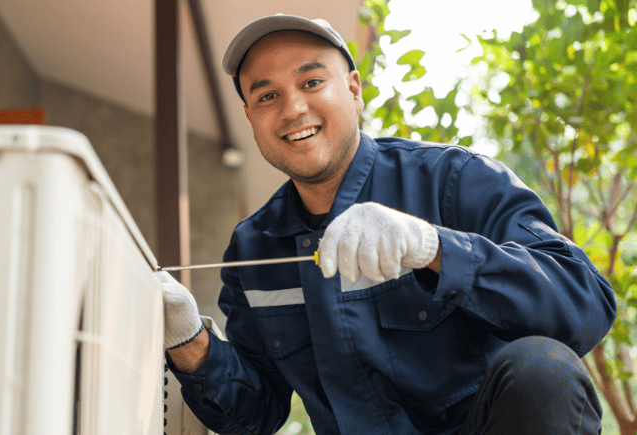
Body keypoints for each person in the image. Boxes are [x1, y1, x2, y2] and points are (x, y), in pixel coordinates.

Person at [156, 14, 616, 435]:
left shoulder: (454, 181)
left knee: (542, 366)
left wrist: (435, 248)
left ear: (354, 90)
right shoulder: (253, 249)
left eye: (312, 82)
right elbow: (257, 414)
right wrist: (189, 341)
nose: (293, 108)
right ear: (251, 118)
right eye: (268, 95)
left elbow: (585, 304)